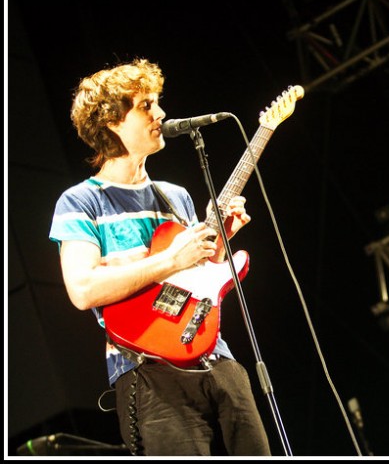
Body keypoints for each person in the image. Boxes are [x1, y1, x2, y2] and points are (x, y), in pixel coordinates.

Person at [48, 58, 271, 456]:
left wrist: (220, 242)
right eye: (146, 105)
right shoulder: (80, 202)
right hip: (145, 369)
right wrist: (171, 260)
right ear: (112, 121)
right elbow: (82, 290)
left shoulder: (176, 195)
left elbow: (193, 275)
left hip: (214, 355)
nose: (161, 113)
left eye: (157, 103)